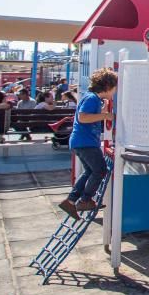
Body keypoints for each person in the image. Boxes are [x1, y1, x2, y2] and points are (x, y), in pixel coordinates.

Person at [58, 68, 117, 219]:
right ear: (107, 87)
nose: (114, 93)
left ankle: (70, 201)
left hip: (80, 141)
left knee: (90, 171)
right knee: (100, 170)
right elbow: (83, 118)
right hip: (86, 142)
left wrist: (102, 110)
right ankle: (85, 200)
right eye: (114, 89)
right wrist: (105, 115)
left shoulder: (92, 98)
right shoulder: (91, 98)